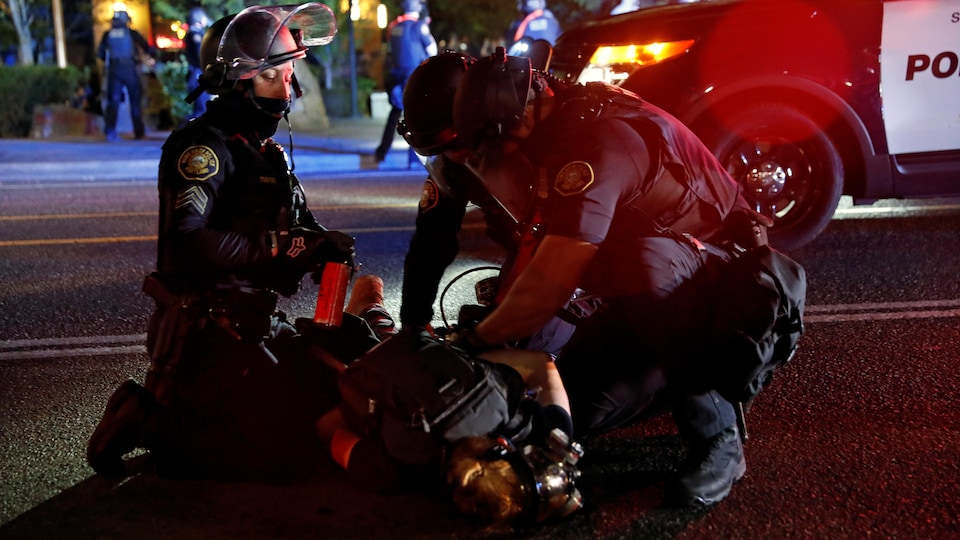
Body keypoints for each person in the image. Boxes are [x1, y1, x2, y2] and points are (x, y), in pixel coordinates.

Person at [445, 47, 773, 507]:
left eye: (498, 143)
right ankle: (683, 373)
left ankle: (719, 435)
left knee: (644, 259)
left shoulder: (593, 146)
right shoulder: (557, 127)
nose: (497, 158)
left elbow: (553, 280)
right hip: (654, 299)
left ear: (521, 116)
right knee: (575, 406)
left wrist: (475, 341)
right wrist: (504, 342)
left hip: (727, 289)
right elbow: (536, 256)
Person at [85, 3, 385, 484]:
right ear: (238, 81)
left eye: (290, 73)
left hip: (259, 326)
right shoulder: (203, 148)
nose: (289, 87)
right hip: (206, 336)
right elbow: (187, 245)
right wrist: (279, 247)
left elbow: (300, 235)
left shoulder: (267, 154)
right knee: (283, 453)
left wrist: (322, 246)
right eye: (275, 75)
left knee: (343, 387)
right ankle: (151, 420)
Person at [316, 330, 584, 525]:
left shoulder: (544, 432)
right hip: (363, 369)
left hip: (415, 346)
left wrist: (465, 365)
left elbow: (541, 363)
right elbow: (329, 427)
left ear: (505, 446)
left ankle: (372, 308)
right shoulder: (395, 473)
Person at [374, 0, 437, 163]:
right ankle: (415, 155)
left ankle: (381, 153)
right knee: (417, 116)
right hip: (415, 78)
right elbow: (432, 51)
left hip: (397, 77)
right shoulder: (419, 27)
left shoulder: (394, 26)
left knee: (395, 114)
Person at [97, 6, 155, 141]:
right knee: (135, 100)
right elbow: (147, 47)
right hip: (129, 68)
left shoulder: (108, 34)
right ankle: (139, 132)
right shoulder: (131, 33)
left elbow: (100, 54)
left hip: (114, 69)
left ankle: (110, 131)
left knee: (113, 101)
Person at [183, 4, 212, 122]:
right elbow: (200, 54)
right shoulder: (196, 34)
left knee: (199, 109)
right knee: (203, 110)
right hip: (198, 75)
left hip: (194, 75)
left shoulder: (192, 33)